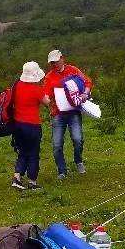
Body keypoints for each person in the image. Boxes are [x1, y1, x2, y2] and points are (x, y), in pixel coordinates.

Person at [41, 49, 91, 179]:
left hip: (73, 111)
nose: (54, 65)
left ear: (62, 58)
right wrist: (45, 100)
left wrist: (85, 93)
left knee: (78, 139)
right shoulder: (49, 77)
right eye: (52, 63)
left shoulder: (73, 70)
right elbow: (45, 94)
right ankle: (62, 170)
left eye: (56, 61)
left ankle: (78, 161)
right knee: (57, 144)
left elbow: (87, 82)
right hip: (57, 114)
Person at [10, 61, 46, 190]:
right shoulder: (36, 89)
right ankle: (32, 181)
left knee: (22, 151)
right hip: (32, 125)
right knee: (33, 152)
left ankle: (17, 177)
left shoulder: (17, 85)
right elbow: (47, 101)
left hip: (18, 124)